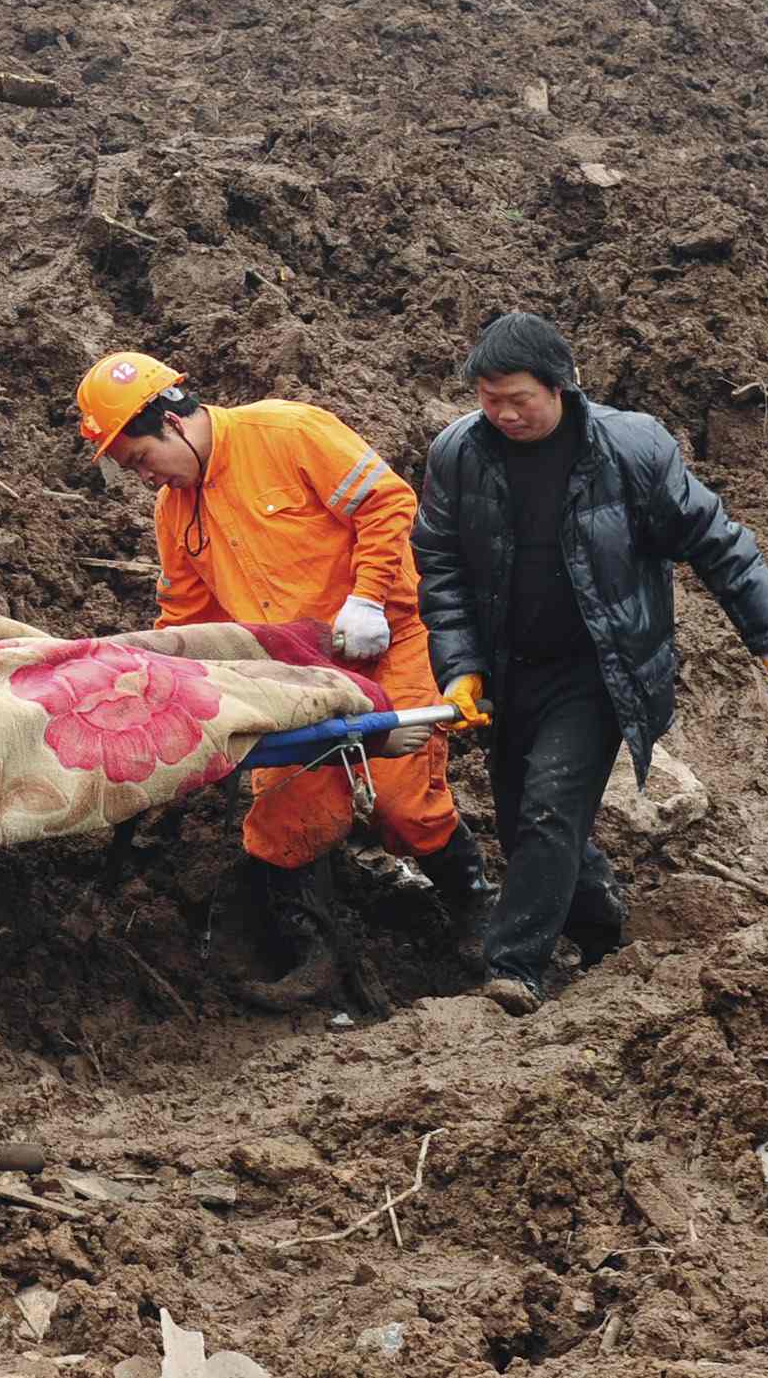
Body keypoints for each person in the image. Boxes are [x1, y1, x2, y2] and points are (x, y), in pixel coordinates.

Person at [413, 314, 768, 1017]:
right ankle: (600, 929)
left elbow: (715, 539)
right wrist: (461, 663)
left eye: (518, 399)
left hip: (600, 666)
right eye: (488, 398)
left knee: (548, 807)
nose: (502, 413)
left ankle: (514, 968)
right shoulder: (457, 453)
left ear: (561, 387)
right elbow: (439, 564)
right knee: (527, 823)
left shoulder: (630, 450)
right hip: (511, 668)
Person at [74, 355, 489, 1018]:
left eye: (141, 457)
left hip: (387, 642)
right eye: (131, 469)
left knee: (402, 806)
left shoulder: (288, 432)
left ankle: (475, 911)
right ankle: (311, 953)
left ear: (174, 421)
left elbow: (387, 501)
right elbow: (187, 619)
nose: (144, 475)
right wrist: (171, 690)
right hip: (296, 677)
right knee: (282, 822)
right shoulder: (173, 512)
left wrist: (368, 598)